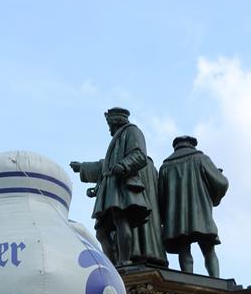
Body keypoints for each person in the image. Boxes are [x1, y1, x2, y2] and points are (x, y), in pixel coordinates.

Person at [71, 108, 164, 267]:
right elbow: (105, 166)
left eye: (109, 124)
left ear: (116, 122)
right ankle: (112, 266)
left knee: (121, 220)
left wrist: (124, 165)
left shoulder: (132, 132)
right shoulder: (117, 140)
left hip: (122, 188)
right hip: (111, 189)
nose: (109, 128)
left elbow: (138, 155)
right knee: (101, 231)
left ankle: (123, 261)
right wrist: (84, 169)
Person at [158, 136, 229, 278]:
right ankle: (215, 279)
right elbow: (221, 183)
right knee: (209, 249)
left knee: (183, 249)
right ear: (192, 145)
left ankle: (187, 278)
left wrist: (166, 217)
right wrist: (214, 192)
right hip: (200, 213)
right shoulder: (201, 159)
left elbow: (161, 197)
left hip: (176, 218)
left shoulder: (165, 167)